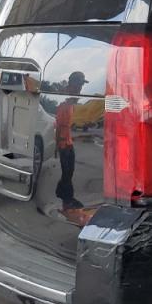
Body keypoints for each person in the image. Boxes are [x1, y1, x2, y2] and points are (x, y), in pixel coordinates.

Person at [54, 71, 87, 210]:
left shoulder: (72, 100)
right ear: (72, 83)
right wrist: (58, 146)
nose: (80, 88)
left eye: (82, 85)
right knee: (67, 172)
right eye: (79, 84)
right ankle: (67, 200)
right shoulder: (64, 100)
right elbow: (57, 124)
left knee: (69, 171)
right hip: (63, 143)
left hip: (68, 141)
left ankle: (62, 193)